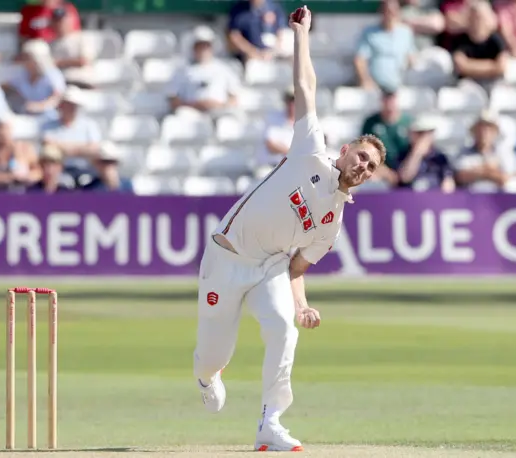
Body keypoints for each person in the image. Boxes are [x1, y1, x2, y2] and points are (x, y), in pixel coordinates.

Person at [192, 5, 386, 452]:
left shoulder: (332, 223)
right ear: (343, 150)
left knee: (284, 329)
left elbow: (298, 268)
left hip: (269, 269)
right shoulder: (309, 151)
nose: (363, 166)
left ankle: (270, 423)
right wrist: (301, 34)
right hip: (226, 258)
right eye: (360, 156)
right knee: (213, 355)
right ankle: (206, 376)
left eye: (371, 167)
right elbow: (306, 86)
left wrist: (302, 306)